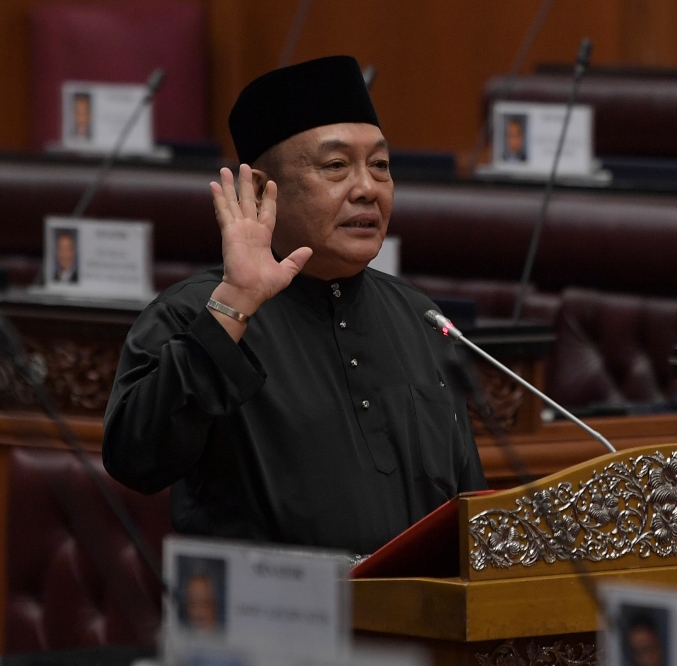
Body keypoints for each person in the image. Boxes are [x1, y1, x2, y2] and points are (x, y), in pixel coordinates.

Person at [102, 56, 487, 557]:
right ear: (263, 190)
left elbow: (471, 506)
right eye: (336, 167)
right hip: (270, 624)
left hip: (412, 626)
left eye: (380, 166)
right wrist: (236, 302)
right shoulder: (197, 311)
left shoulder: (421, 318)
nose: (367, 188)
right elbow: (136, 459)